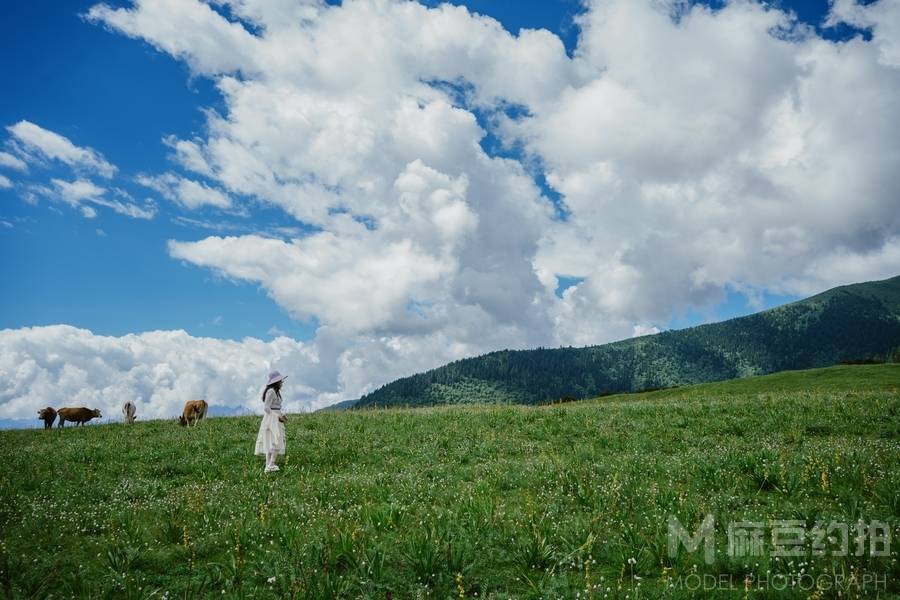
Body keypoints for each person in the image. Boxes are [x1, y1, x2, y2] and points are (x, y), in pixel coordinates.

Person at [255, 370, 287, 473]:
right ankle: (271, 464)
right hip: (271, 419)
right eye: (280, 381)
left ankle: (268, 465)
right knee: (275, 440)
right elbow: (266, 408)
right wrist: (277, 417)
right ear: (276, 382)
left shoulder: (275, 392)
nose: (282, 383)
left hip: (275, 417)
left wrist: (281, 415)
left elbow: (275, 407)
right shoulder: (271, 392)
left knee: (272, 441)